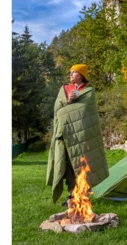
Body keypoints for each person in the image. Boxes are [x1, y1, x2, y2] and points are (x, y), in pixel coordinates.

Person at [46, 64, 109, 205]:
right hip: (65, 134)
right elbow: (57, 109)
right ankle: (71, 195)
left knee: (82, 165)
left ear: (81, 75)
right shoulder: (64, 89)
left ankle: (82, 195)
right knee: (68, 166)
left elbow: (86, 110)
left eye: (74, 72)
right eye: (70, 72)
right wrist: (68, 100)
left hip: (82, 136)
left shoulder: (88, 91)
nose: (71, 74)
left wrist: (75, 102)